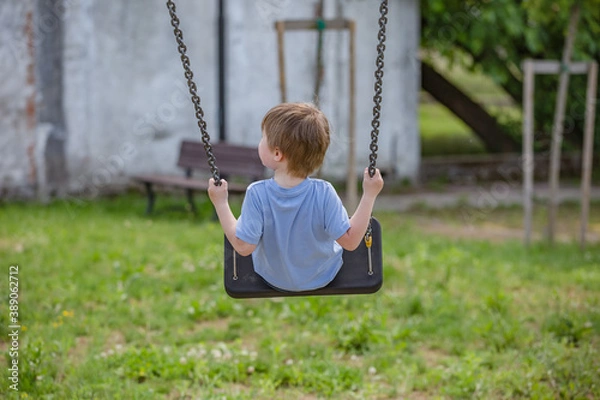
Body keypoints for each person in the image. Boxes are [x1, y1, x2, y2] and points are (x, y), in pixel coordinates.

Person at [208, 102, 384, 292]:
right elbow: (350, 242)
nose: (260, 142)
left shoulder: (257, 194)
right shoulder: (324, 192)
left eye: (263, 138)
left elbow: (243, 247)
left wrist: (221, 203)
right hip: (322, 275)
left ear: (277, 153)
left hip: (273, 278)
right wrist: (369, 194)